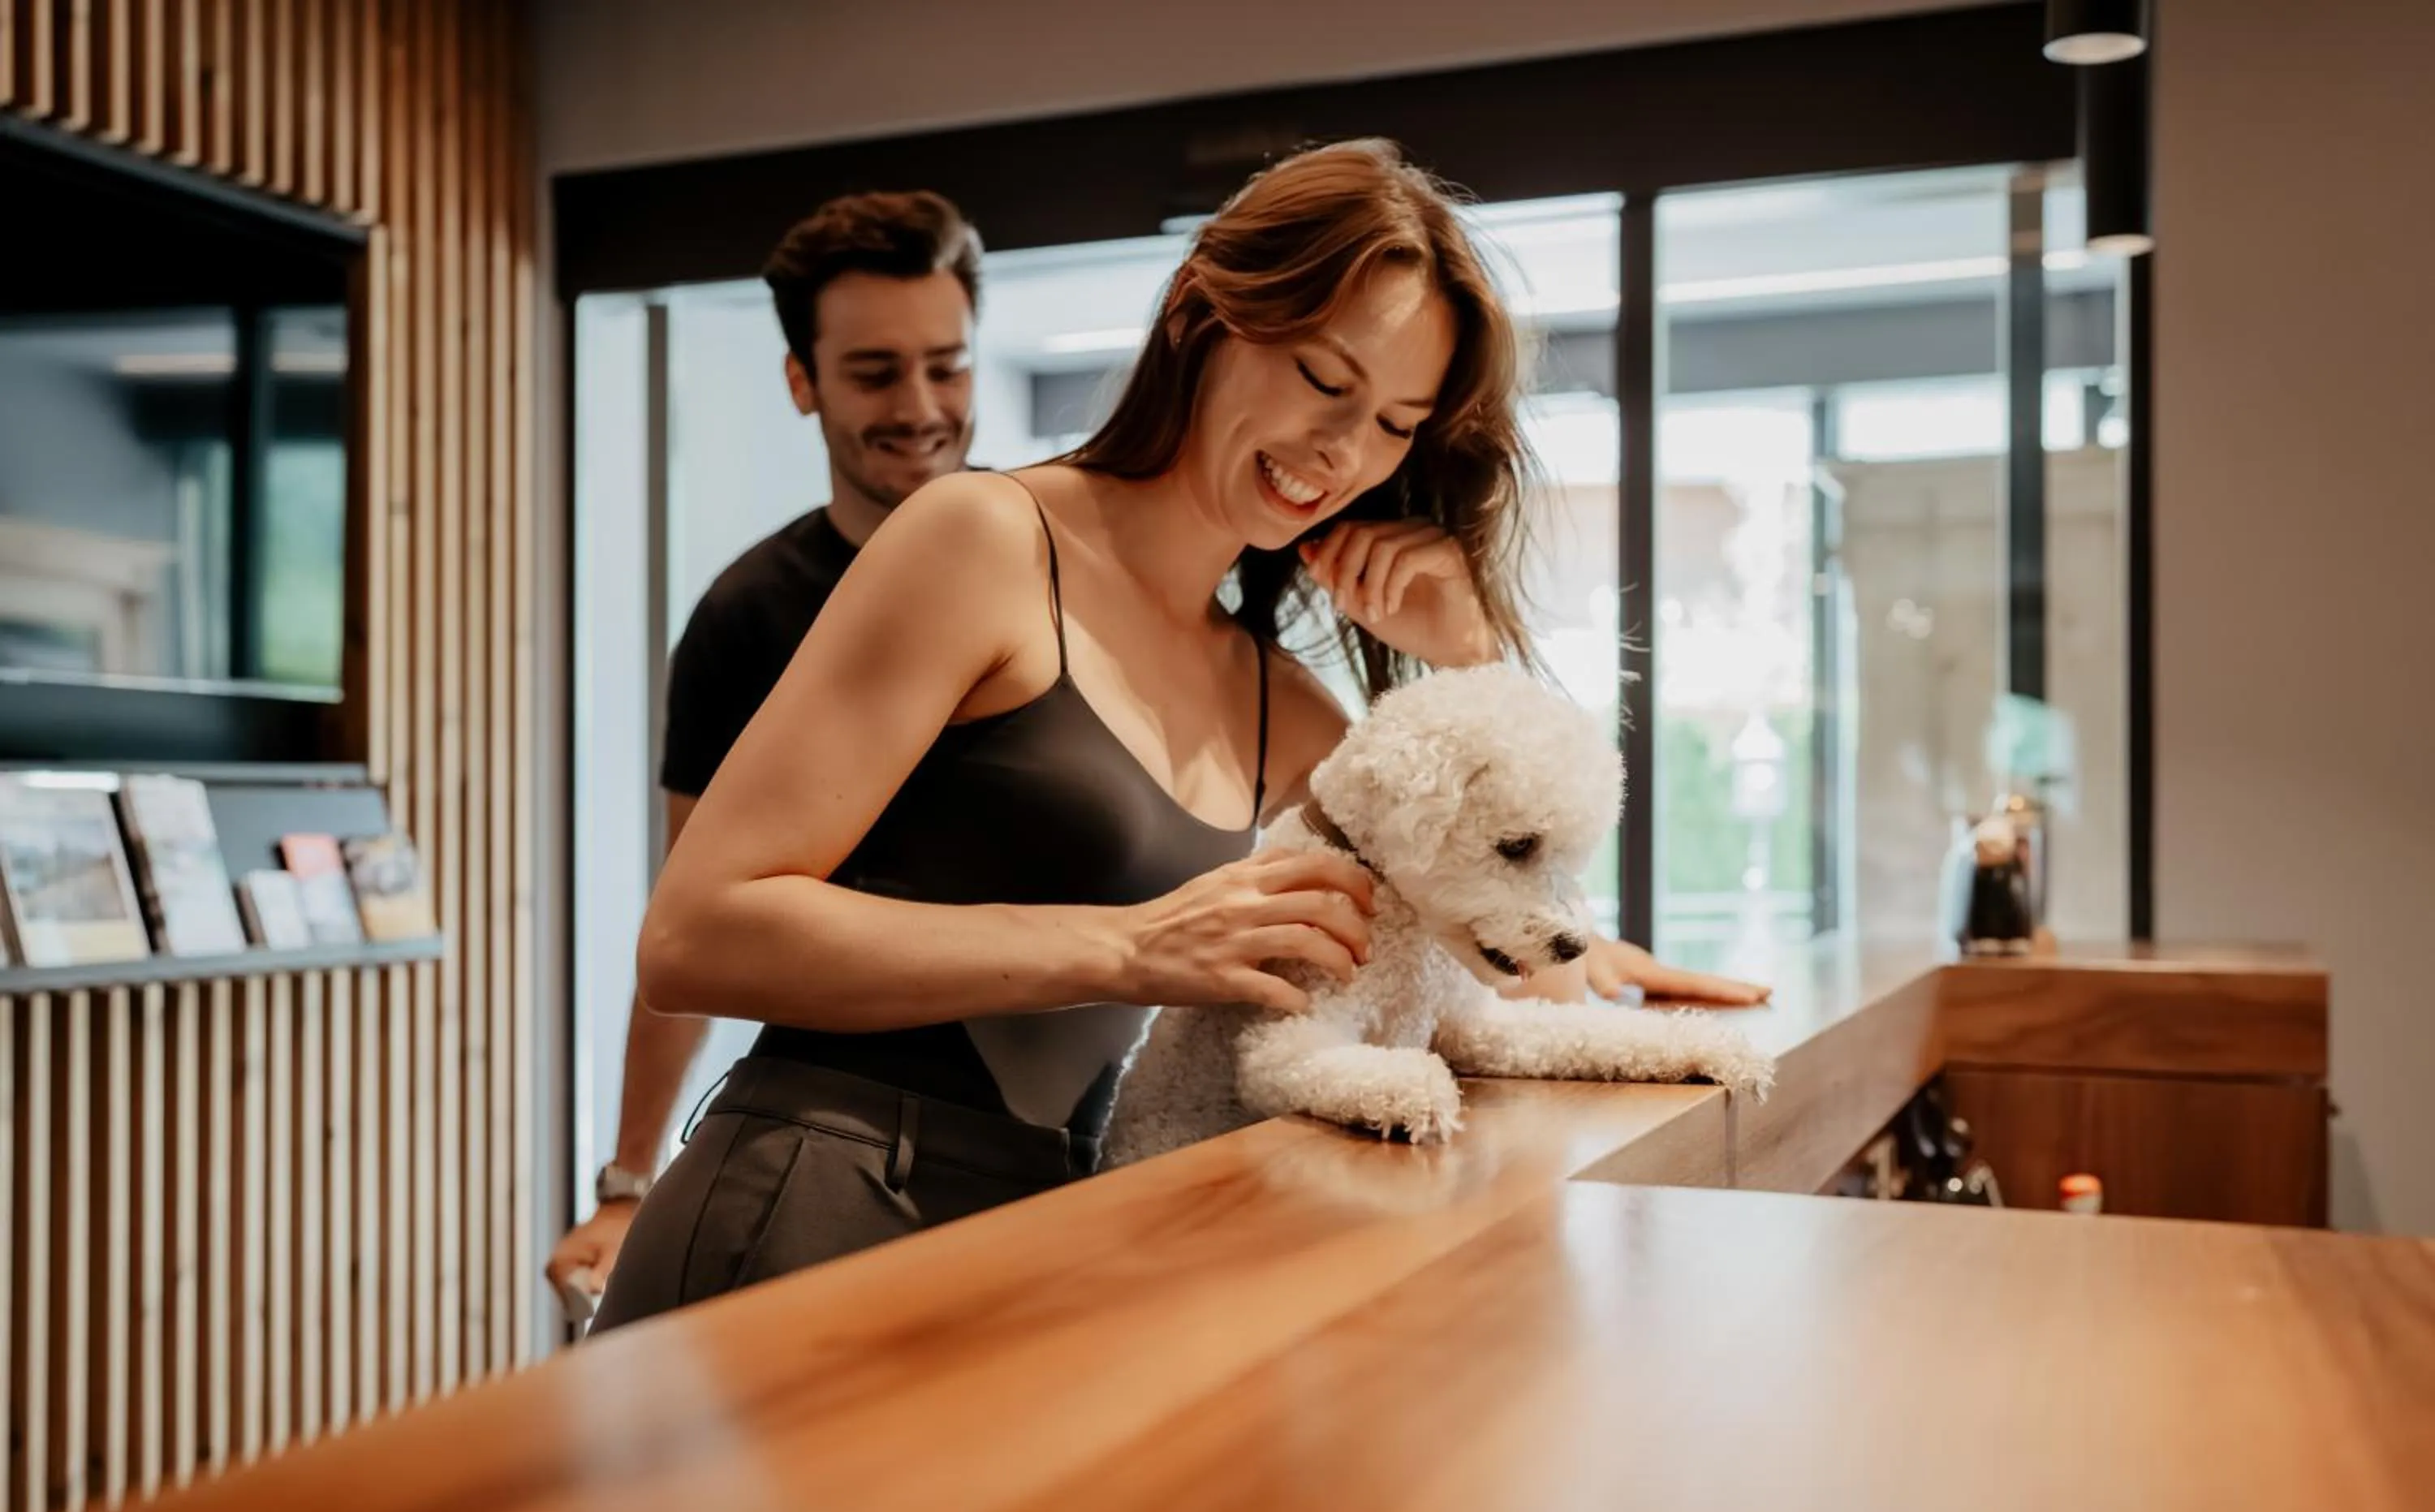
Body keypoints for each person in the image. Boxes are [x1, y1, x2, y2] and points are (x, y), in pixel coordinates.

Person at [571, 149, 1767, 1329]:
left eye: (1397, 422)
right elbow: (695, 935)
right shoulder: (981, 542)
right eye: (1321, 378)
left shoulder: (1284, 703)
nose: (1346, 451)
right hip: (814, 1200)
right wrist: (1127, 946)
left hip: (1047, 1231)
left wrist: (1465, 658)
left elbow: (1525, 958)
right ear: (1204, 311)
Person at [546, 189, 985, 1307]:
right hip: (843, 1158)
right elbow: (687, 929)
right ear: (803, 382)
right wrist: (625, 1180)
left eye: (948, 364)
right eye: (875, 372)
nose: (922, 406)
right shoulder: (745, 619)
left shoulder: (1065, 565)